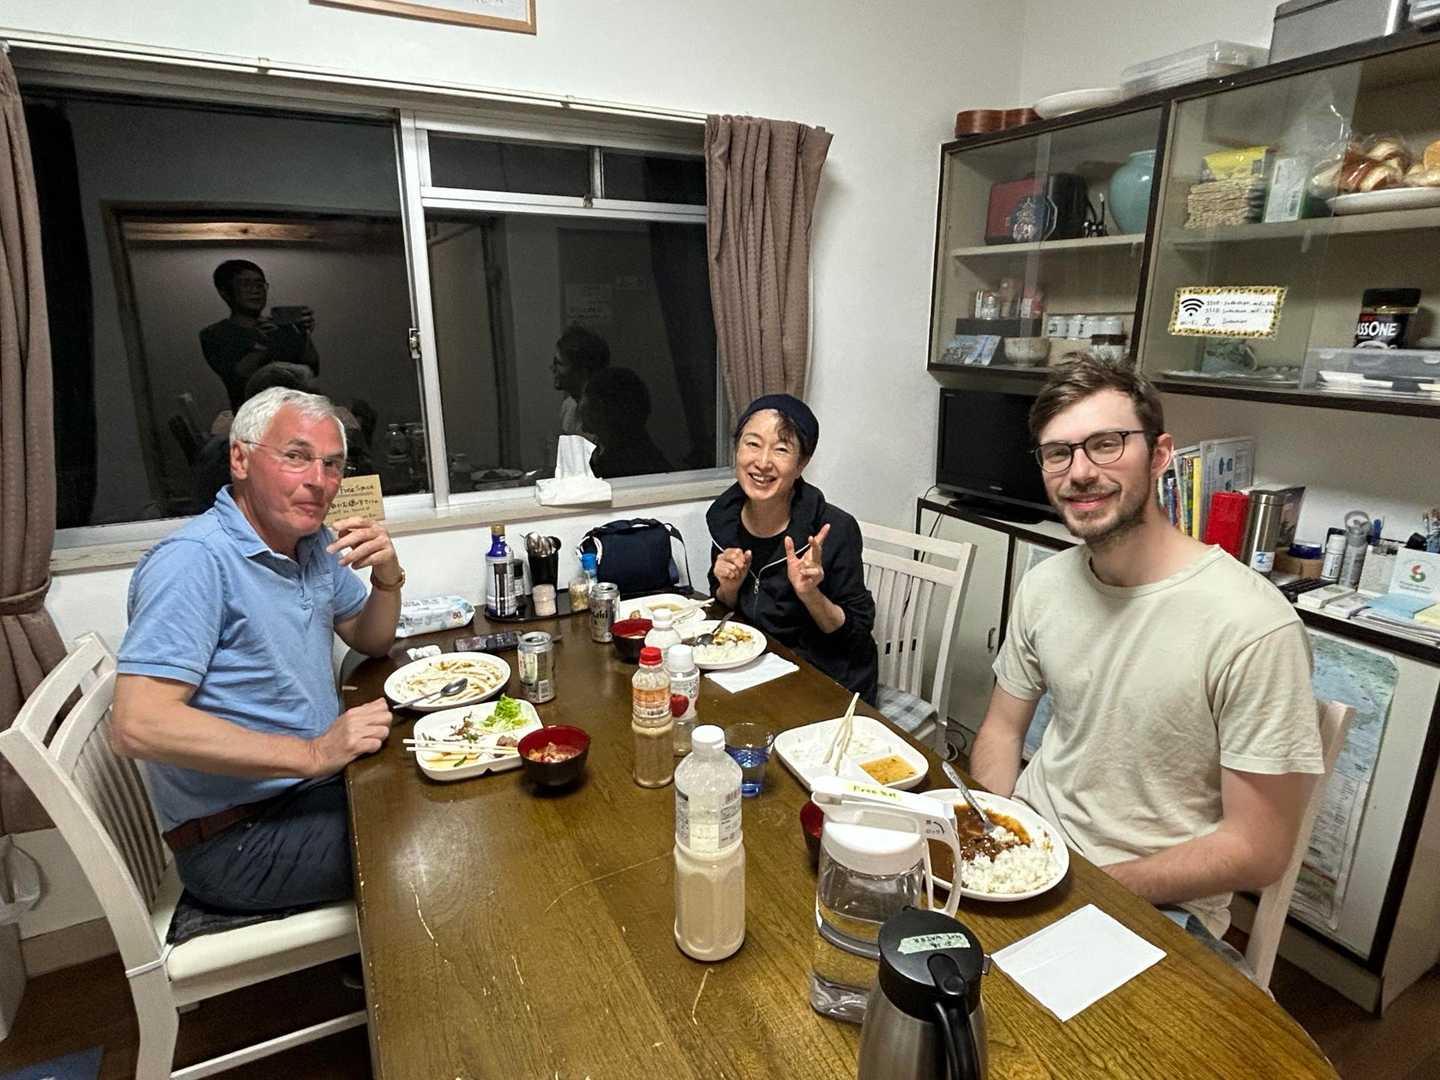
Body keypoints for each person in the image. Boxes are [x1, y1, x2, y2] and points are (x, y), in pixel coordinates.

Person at [969, 358, 1323, 958]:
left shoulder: (1251, 625)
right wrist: (1000, 836)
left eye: (1106, 444)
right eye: (1058, 453)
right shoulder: (1045, 585)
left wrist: (1091, 886)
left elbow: (1259, 848)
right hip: (1031, 854)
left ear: (1159, 455)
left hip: (1157, 904)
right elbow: (1003, 731)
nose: (1081, 472)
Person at [112, 386, 405, 913]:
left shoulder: (312, 543)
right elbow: (138, 724)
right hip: (238, 838)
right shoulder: (194, 561)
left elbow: (371, 638)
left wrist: (387, 575)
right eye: (296, 456)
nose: (319, 480)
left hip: (307, 793)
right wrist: (314, 754)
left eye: (332, 464)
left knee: (430, 776)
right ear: (240, 459)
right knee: (424, 837)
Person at [706, 394, 878, 704]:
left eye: (781, 449)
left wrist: (810, 594)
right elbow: (724, 607)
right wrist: (729, 587)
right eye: (752, 444)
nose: (762, 462)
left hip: (826, 681)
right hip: (756, 672)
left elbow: (856, 633)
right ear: (737, 449)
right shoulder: (725, 519)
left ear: (802, 464)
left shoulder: (833, 529)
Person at [200, 259, 318, 413]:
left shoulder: (283, 327)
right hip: (252, 415)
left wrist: (305, 334)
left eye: (260, 284)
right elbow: (236, 376)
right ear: (225, 292)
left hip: (297, 412)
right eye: (246, 284)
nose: (256, 290)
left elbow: (313, 368)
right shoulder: (215, 334)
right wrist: (263, 344)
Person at [580, 367, 672, 479]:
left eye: (583, 396)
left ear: (598, 406)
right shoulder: (644, 455)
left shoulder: (621, 468)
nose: (580, 405)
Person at [552, 324, 610, 438]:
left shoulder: (606, 413)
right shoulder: (568, 407)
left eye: (559, 363)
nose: (553, 369)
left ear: (582, 370)